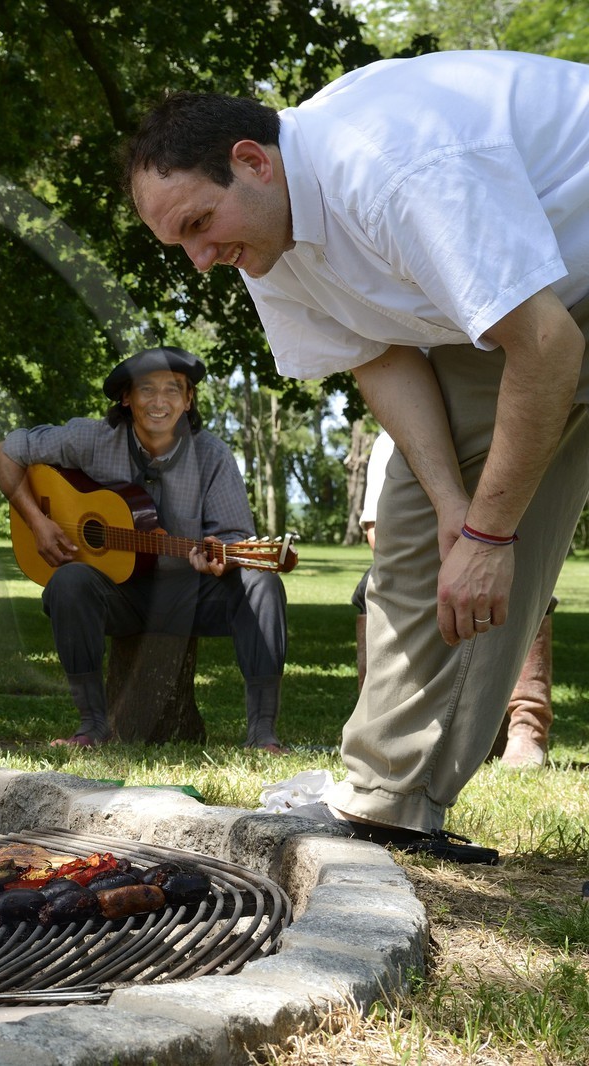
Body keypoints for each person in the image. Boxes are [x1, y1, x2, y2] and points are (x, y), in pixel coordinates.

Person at [125, 50, 589, 862]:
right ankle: (387, 804)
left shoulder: (392, 166)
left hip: (545, 310)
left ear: (251, 161)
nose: (200, 261)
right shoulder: (267, 241)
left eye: (200, 225)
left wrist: (490, 539)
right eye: (181, 245)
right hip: (533, 308)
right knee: (414, 526)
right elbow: (381, 356)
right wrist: (455, 512)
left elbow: (547, 344)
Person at [0, 346, 289, 751]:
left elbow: (234, 538)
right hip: (118, 594)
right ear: (126, 398)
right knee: (69, 582)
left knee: (261, 582)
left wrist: (219, 556)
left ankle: (263, 734)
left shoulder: (212, 455)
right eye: (147, 390)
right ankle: (92, 727)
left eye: (172, 390)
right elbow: (1, 454)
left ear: (188, 400)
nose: (159, 402)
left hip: (187, 593)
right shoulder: (91, 438)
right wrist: (38, 523)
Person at [354, 433, 556, 769]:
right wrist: (448, 567)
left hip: (498, 553)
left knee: (535, 589)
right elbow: (378, 531)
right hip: (427, 561)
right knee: (368, 588)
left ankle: (527, 726)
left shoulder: (499, 428)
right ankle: (389, 723)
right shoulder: (390, 440)